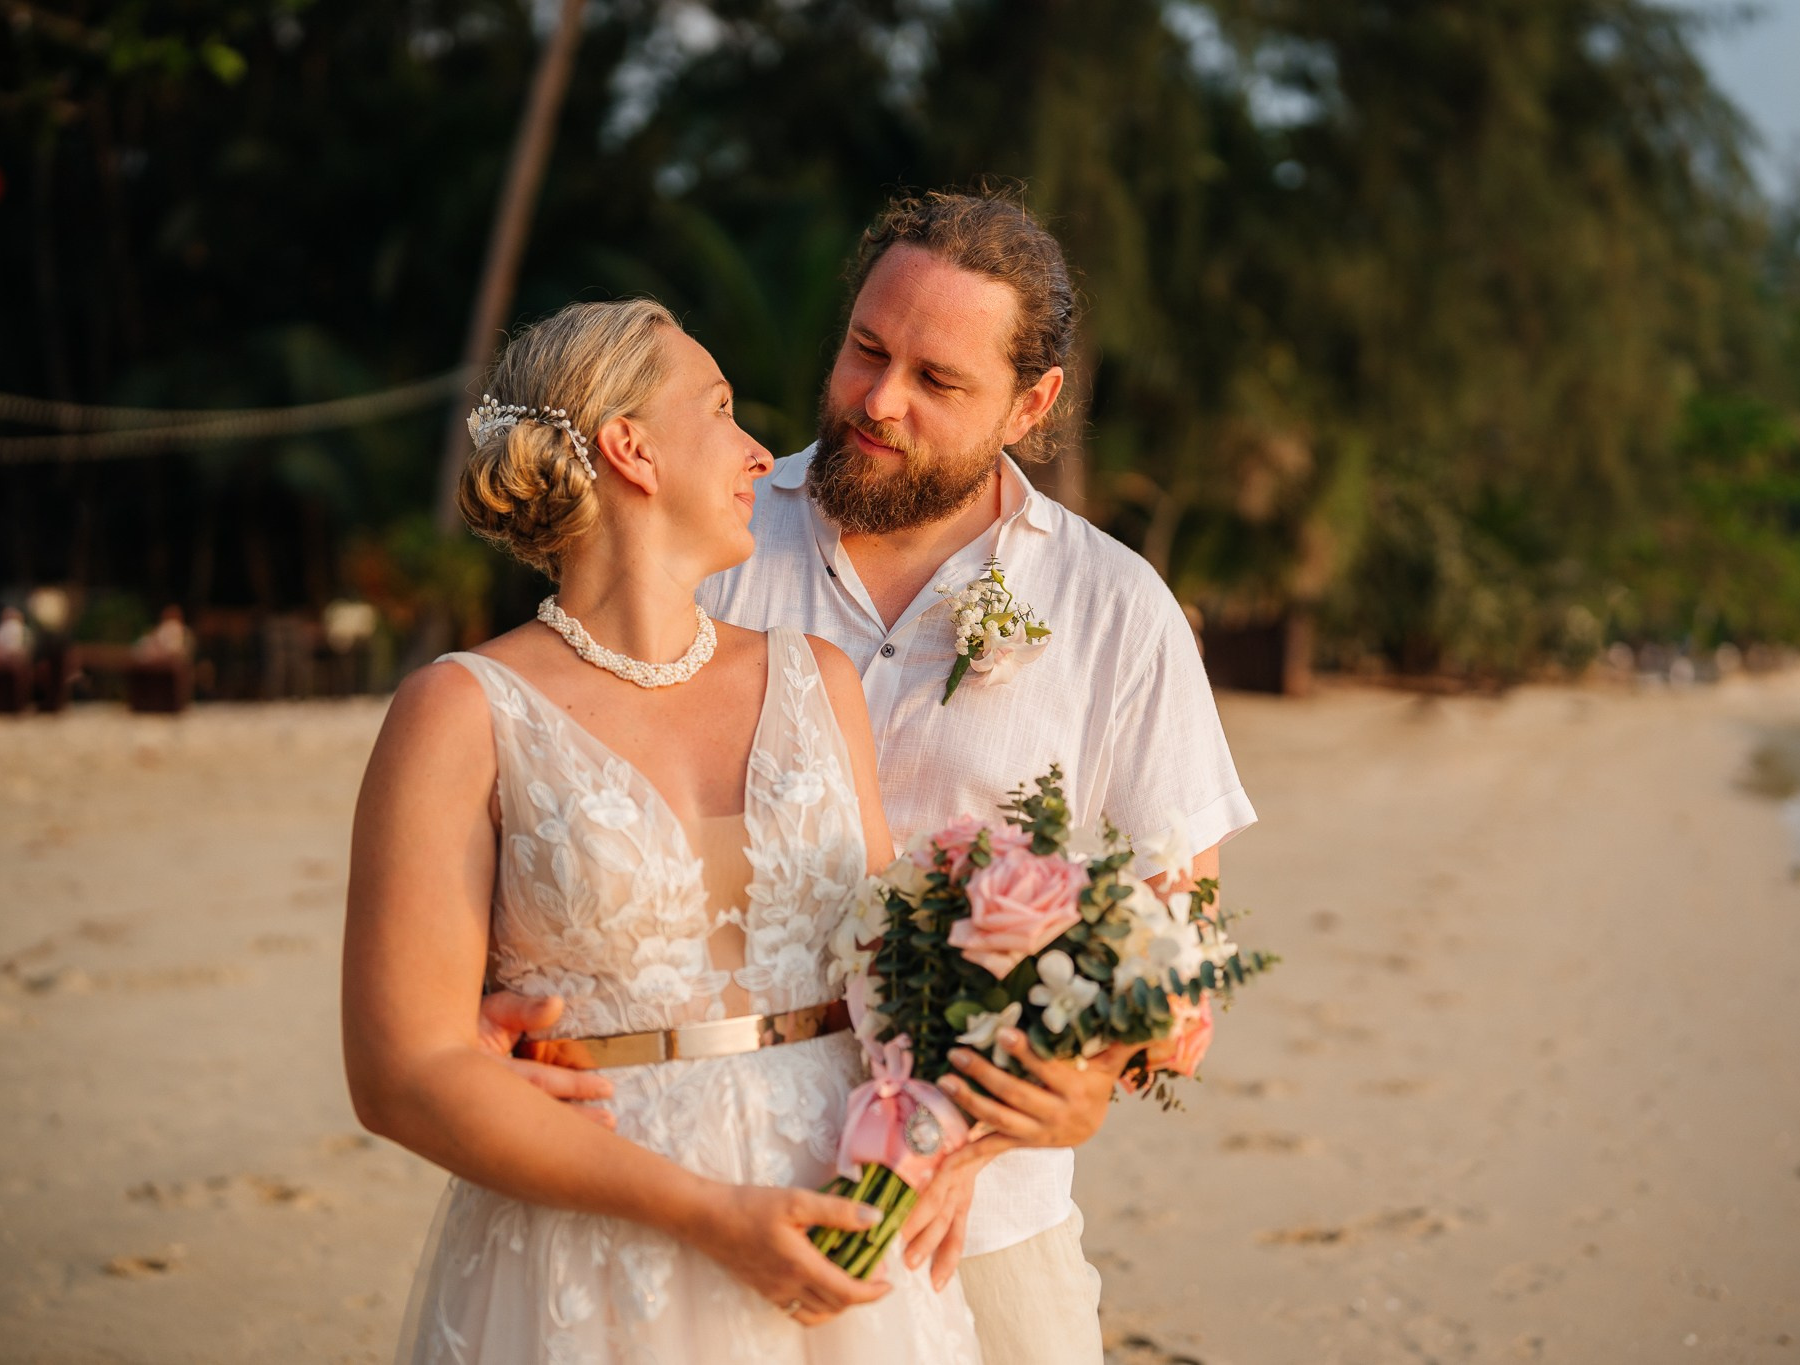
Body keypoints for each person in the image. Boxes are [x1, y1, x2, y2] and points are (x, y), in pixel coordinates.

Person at [479, 190, 1257, 1364]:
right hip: (696, 1193)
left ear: (1030, 403)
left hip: (981, 1228)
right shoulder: (702, 544)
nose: (879, 401)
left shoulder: (1114, 613)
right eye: (866, 350)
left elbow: (1176, 952)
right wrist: (515, 1014)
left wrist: (1084, 1086)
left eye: (938, 382)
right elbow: (574, 822)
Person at [342, 298, 982, 1363]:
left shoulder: (814, 680)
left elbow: (894, 984)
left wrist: (955, 1127)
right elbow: (400, 1070)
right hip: (592, 1248)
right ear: (628, 447)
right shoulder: (458, 712)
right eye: (722, 409)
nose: (756, 450)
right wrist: (704, 1214)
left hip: (840, 1214)